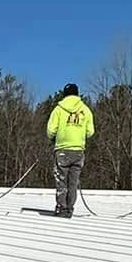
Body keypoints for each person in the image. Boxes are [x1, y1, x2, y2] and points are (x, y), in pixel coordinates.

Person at [46, 85, 94, 216]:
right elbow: (90, 132)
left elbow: (51, 130)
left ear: (64, 94)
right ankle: (69, 208)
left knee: (61, 180)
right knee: (73, 182)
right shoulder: (85, 110)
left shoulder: (58, 109)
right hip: (78, 150)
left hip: (62, 149)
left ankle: (61, 207)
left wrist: (53, 138)